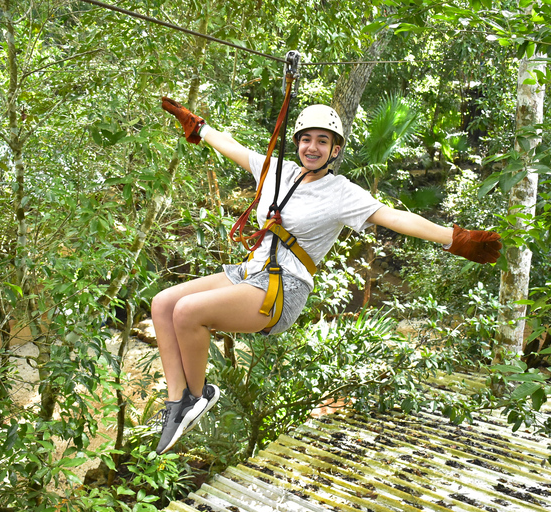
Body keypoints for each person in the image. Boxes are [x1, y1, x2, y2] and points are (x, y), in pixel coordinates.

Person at [150, 97, 502, 454]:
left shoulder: (341, 192)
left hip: (283, 288)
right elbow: (233, 147)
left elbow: (395, 218)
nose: (312, 147)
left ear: (335, 149)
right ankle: (178, 400)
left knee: (188, 312)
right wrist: (199, 127)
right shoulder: (278, 171)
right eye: (306, 139)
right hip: (250, 271)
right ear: (298, 142)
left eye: (322, 141)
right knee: (163, 304)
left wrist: (456, 239)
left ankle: (198, 396)